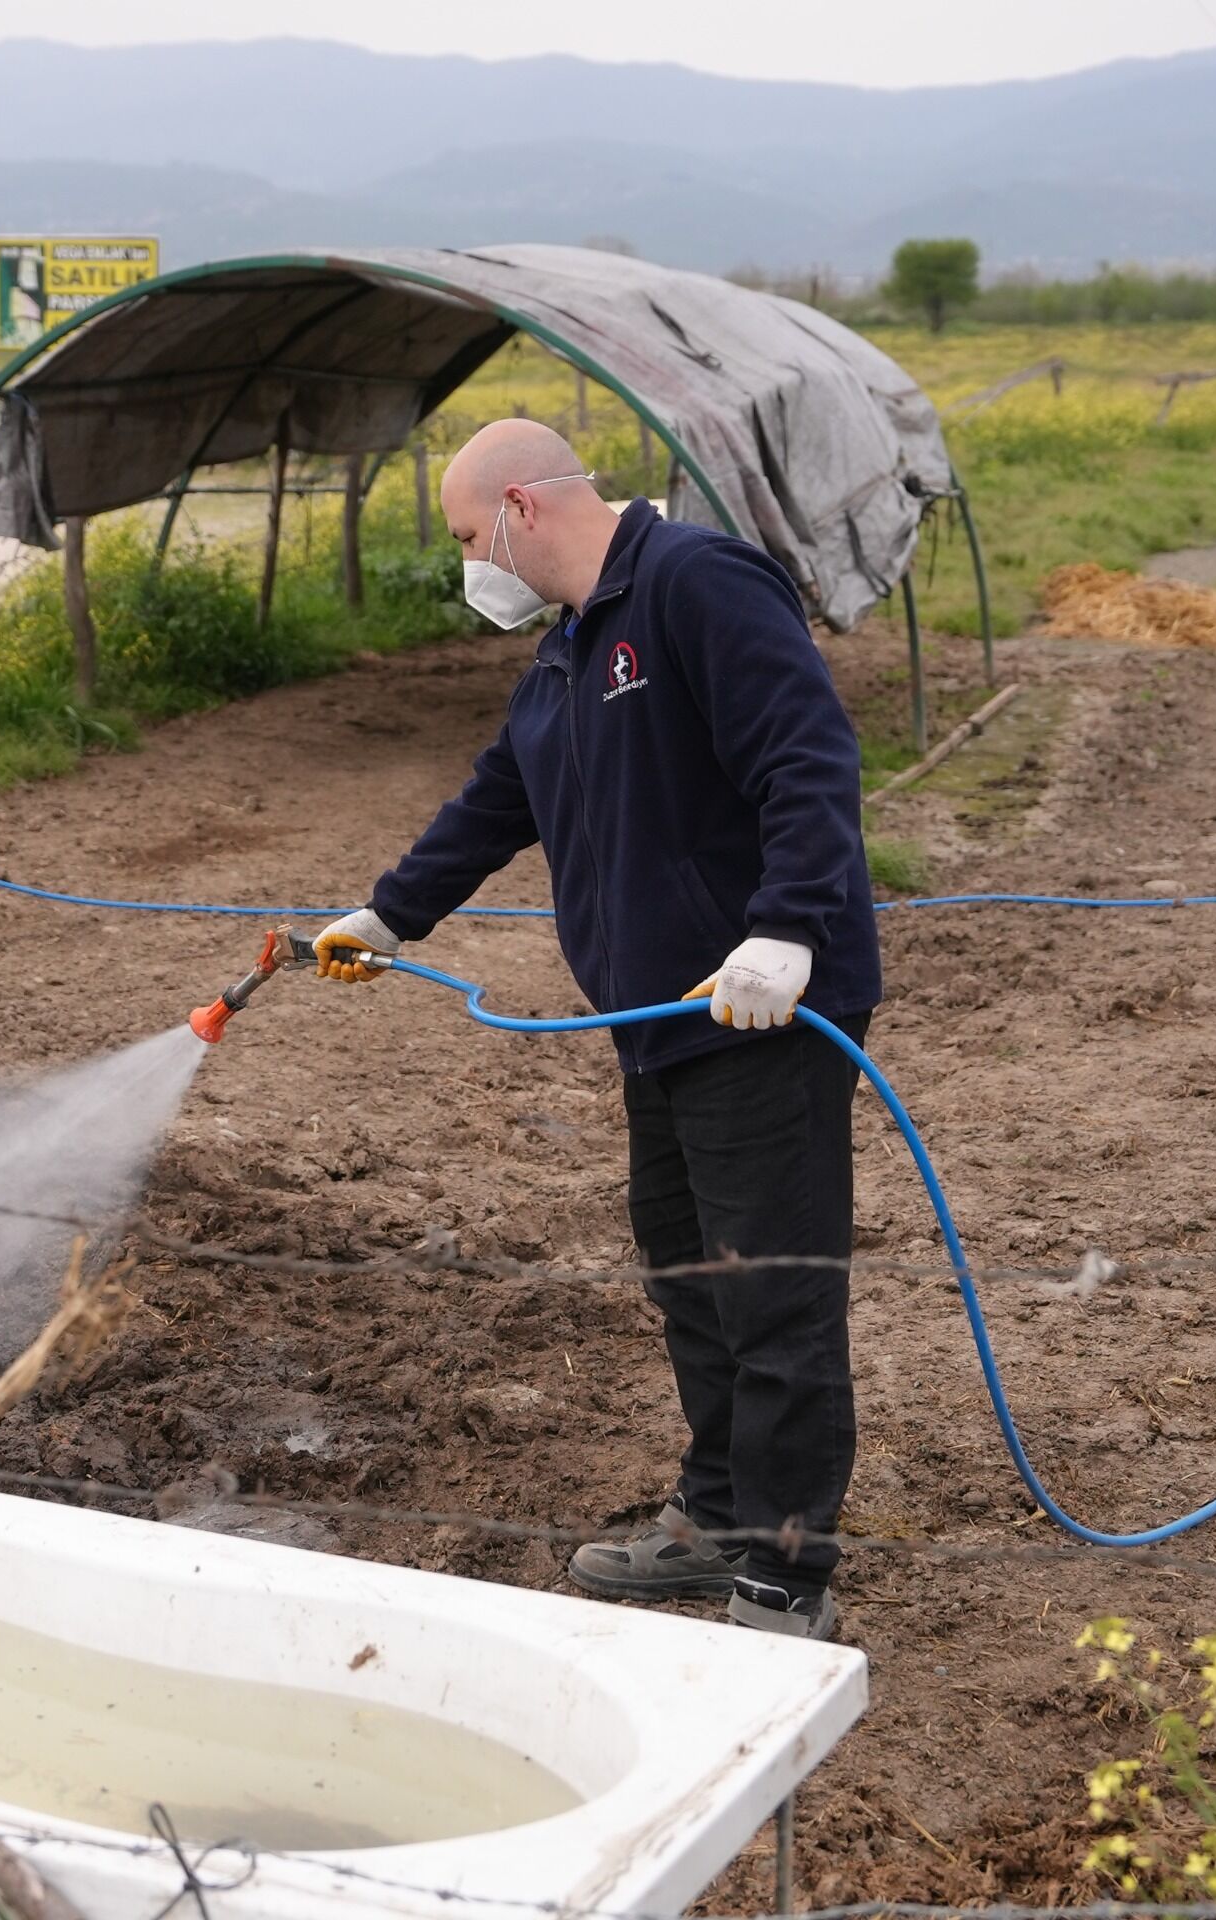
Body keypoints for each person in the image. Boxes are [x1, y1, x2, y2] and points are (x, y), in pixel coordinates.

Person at [313, 418, 880, 1640]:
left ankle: (784, 1574)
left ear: (521, 506)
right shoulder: (571, 652)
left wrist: (786, 928)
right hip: (658, 1024)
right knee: (688, 1279)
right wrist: (388, 916)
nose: (470, 565)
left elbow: (807, 755)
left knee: (770, 1292)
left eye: (469, 536)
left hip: (760, 1014)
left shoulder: (695, 583)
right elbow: (496, 798)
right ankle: (717, 1514)